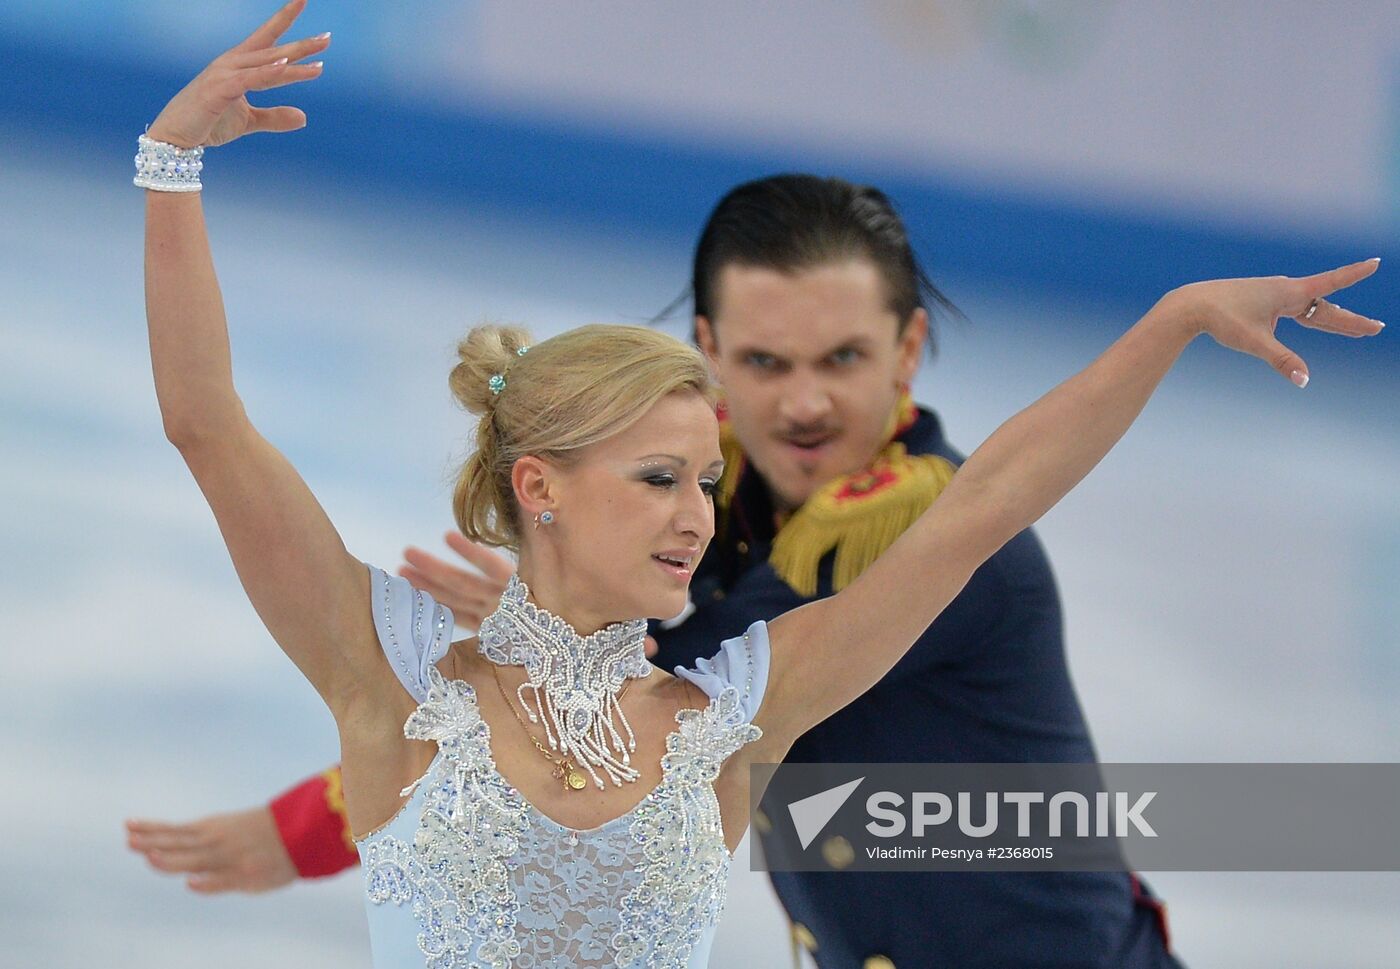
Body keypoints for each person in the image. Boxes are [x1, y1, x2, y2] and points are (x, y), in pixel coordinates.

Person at [130, 2, 1385, 966]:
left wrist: (1164, 323)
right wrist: (170, 167)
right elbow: (207, 429)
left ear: (904, 351)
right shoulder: (387, 663)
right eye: (665, 476)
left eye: (707, 480)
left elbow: (985, 507)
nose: (697, 511)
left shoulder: (738, 703)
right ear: (541, 485)